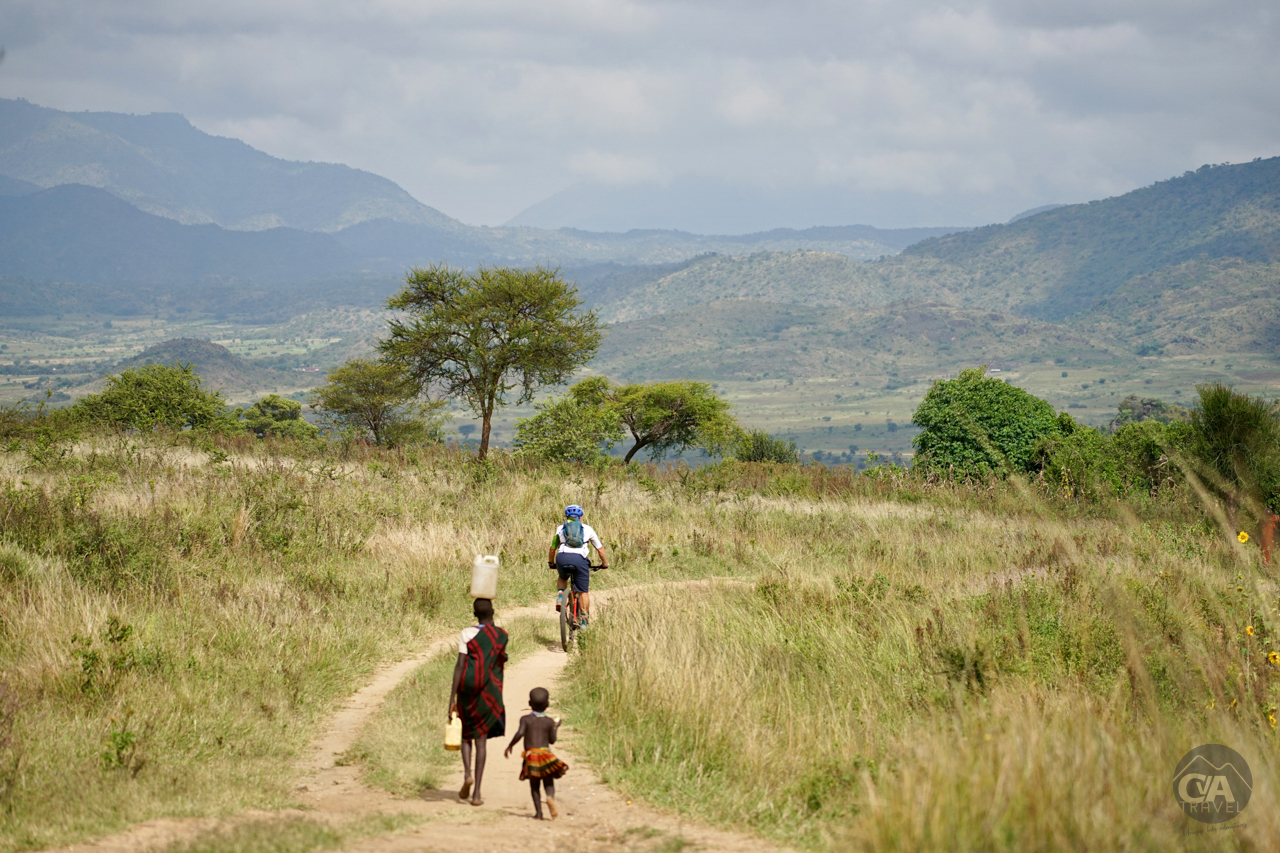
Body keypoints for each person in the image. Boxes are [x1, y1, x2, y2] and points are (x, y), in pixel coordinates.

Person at [447, 597, 508, 806]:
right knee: (481, 739)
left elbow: (460, 666)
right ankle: (477, 794)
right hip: (488, 692)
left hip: (467, 689)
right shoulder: (500, 636)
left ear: (474, 615)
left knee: (466, 735)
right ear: (493, 613)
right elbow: (501, 658)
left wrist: (452, 699)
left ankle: (466, 775)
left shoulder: (466, 634)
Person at [504, 686, 569, 820]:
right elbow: (552, 741)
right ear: (547, 704)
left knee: (534, 785)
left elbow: (520, 733)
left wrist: (510, 745)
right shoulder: (549, 721)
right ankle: (550, 797)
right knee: (548, 781)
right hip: (545, 755)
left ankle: (538, 813)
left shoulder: (525, 719)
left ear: (529, 704)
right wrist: (555, 728)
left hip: (531, 755)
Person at [548, 504, 609, 627]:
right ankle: (584, 622)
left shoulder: (560, 528)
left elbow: (552, 548)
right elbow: (600, 549)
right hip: (580, 559)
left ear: (566, 517)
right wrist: (604, 563)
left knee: (562, 577)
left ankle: (561, 595)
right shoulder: (588, 529)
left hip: (562, 557)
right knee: (583, 592)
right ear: (581, 517)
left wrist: (551, 563)